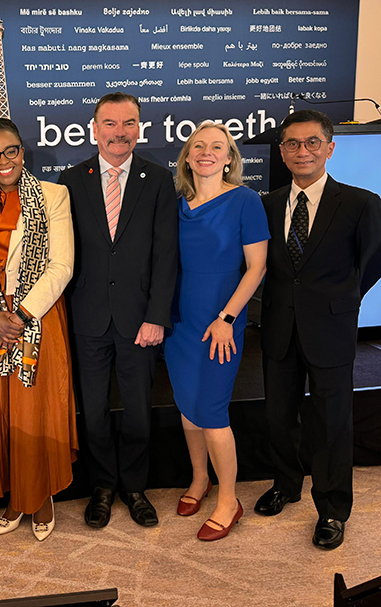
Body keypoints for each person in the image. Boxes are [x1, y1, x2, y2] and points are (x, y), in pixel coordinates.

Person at [256, 109, 381, 550]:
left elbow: (373, 260)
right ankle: (286, 485)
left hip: (330, 330)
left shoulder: (361, 203)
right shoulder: (266, 204)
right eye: (292, 143)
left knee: (331, 422)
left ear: (330, 147)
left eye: (312, 142)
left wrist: (343, 299)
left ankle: (331, 508)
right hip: (277, 327)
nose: (302, 151)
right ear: (282, 151)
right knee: (278, 416)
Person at [57, 93, 178, 528]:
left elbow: (167, 256)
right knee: (92, 411)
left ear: (139, 129)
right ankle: (103, 487)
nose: (119, 132)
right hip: (86, 318)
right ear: (94, 129)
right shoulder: (70, 181)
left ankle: (135, 487)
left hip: (139, 320)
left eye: (128, 123)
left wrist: (158, 315)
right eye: (110, 123)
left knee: (138, 409)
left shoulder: (159, 180)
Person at [0, 118, 77, 541]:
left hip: (37, 319)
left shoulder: (53, 195)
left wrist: (21, 316)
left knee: (34, 409)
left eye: (10, 151)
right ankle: (13, 495)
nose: (2, 160)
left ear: (23, 152)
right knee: (3, 412)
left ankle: (39, 496)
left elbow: (62, 265)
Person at [164, 122, 269, 541]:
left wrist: (226, 318)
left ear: (229, 158)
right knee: (188, 410)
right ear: (188, 157)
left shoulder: (245, 200)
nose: (206, 152)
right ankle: (198, 479)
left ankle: (229, 500)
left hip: (219, 323)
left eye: (217, 147)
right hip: (180, 324)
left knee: (211, 411)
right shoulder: (177, 204)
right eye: (198, 146)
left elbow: (257, 268)